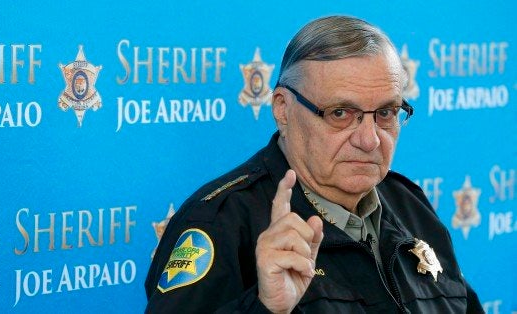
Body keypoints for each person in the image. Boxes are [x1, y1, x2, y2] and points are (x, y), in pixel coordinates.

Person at [145, 15, 483, 313]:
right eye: (340, 113)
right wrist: (266, 308)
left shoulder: (410, 205)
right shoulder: (221, 224)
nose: (370, 140)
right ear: (282, 109)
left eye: (386, 113)